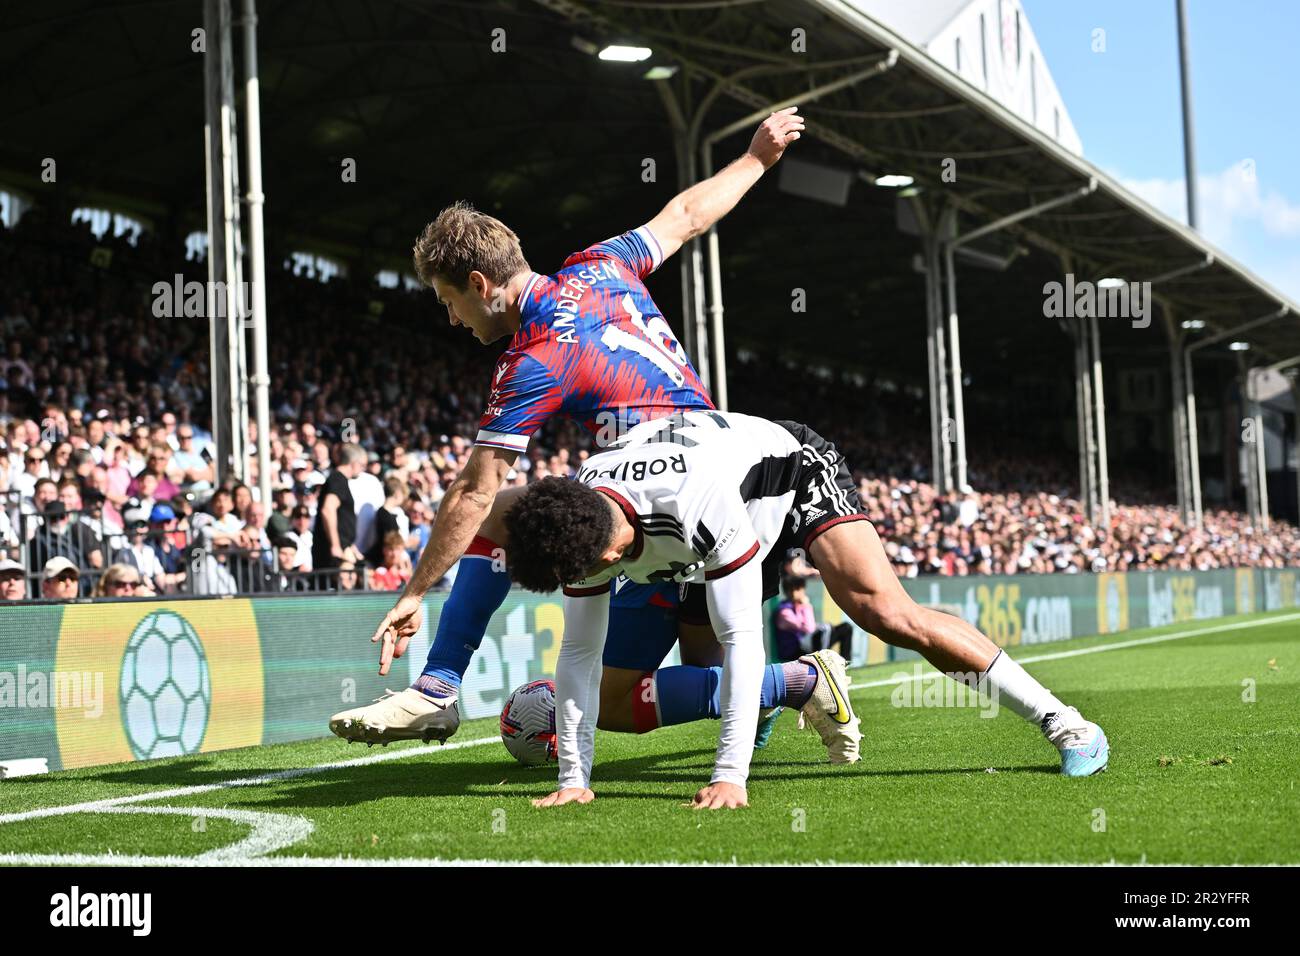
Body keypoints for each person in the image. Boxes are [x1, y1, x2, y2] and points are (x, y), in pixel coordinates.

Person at [330, 108, 807, 748]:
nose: (453, 320)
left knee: (502, 521)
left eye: (451, 302)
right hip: (730, 471)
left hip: (664, 495)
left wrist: (414, 592)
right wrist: (754, 159)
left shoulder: (533, 359)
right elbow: (687, 217)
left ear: (480, 283)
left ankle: (437, 688)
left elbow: (472, 492)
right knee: (710, 676)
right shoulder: (602, 264)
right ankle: (775, 694)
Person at [503, 410, 1110, 811]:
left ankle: (1067, 723)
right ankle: (786, 691)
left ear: (611, 551)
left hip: (787, 473)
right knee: (642, 686)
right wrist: (573, 783)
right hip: (679, 521)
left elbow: (745, 637)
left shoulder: (695, 509)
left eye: (589, 576)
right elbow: (577, 652)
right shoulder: (577, 517)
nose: (582, 586)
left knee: (885, 612)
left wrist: (729, 776)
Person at [311, 444, 366, 577]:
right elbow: (328, 510)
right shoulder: (338, 479)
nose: (363, 469)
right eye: (362, 465)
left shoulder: (337, 479)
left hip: (341, 548)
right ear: (354, 463)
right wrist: (335, 545)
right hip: (332, 554)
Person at [773, 575, 853, 663]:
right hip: (795, 651)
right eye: (791, 590)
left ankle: (845, 663)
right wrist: (806, 606)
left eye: (798, 589)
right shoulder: (785, 611)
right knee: (821, 635)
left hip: (807, 645)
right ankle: (823, 663)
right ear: (786, 591)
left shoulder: (798, 606)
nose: (794, 593)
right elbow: (809, 628)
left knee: (846, 628)